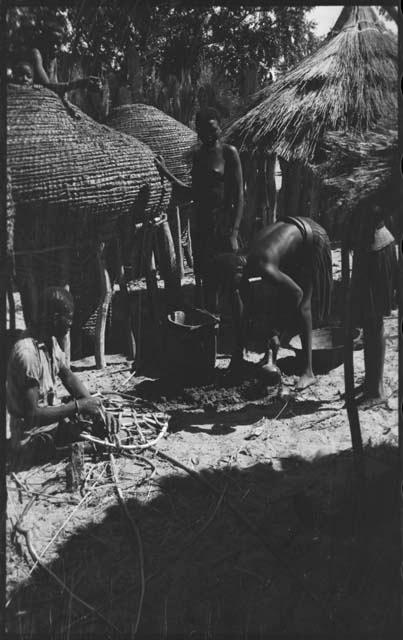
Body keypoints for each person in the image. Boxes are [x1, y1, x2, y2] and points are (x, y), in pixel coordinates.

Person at [214, 216, 333, 391]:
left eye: (236, 283)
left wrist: (279, 330)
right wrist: (238, 355)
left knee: (303, 305)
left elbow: (296, 293)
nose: (236, 286)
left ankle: (308, 372)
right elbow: (244, 303)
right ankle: (272, 351)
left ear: (239, 270)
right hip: (295, 232)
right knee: (278, 296)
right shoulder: (242, 261)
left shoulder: (263, 264)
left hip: (313, 239)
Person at [7, 287, 116, 460]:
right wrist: (79, 406)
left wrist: (96, 407)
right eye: (69, 318)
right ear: (55, 318)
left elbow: (67, 375)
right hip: (29, 438)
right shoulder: (28, 354)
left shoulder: (49, 341)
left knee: (95, 430)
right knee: (93, 446)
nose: (71, 324)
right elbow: (32, 414)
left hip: (49, 426)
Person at [154, 107, 244, 310]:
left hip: (224, 228)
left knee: (233, 285)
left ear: (220, 128)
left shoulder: (229, 153)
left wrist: (234, 232)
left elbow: (239, 196)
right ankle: (212, 333)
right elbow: (192, 193)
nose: (211, 134)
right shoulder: (198, 156)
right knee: (206, 284)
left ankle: (240, 337)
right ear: (199, 132)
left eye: (215, 129)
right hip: (203, 229)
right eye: (206, 130)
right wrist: (166, 172)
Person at [349, 200, 397, 402]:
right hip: (370, 243)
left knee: (373, 320)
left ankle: (376, 390)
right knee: (370, 322)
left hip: (375, 247)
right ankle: (371, 381)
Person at [12, 59, 101, 96]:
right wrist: (80, 83)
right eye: (20, 75)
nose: (24, 78)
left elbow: (49, 87)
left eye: (29, 76)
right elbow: (48, 87)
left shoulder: (54, 61)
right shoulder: (36, 53)